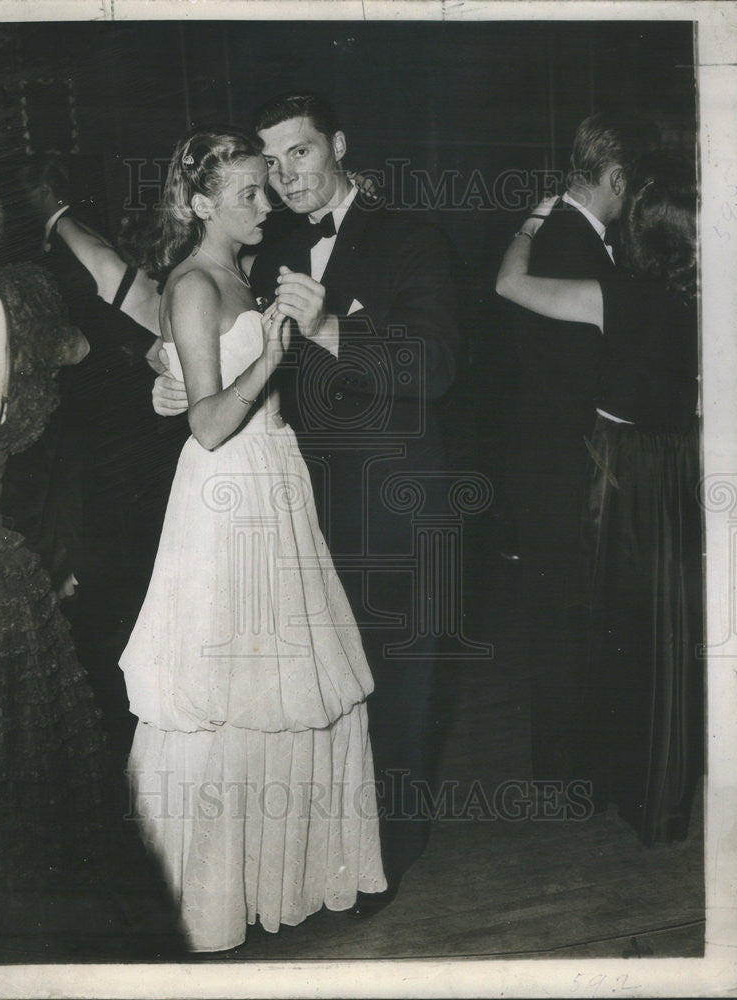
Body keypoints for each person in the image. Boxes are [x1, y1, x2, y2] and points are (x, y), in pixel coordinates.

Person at [152, 92, 461, 915]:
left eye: (301, 153)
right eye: (271, 160)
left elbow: (432, 372)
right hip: (288, 504)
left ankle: (383, 864)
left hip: (393, 504)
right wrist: (173, 377)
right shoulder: (265, 239)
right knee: (308, 695)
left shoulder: (412, 237)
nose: (285, 176)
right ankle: (320, 863)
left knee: (394, 686)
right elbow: (213, 344)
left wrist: (329, 331)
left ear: (340, 145)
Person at [119, 127, 386, 954]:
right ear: (202, 204)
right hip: (227, 499)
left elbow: (201, 392)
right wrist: (269, 356)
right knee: (231, 696)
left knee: (293, 684)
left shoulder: (240, 272)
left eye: (266, 188)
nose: (265, 203)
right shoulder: (194, 284)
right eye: (247, 193)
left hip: (276, 479)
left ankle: (299, 879)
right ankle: (213, 900)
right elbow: (204, 424)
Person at [0, 147, 184, 961]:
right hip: (77, 490)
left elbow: (122, 311)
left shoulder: (7, 299)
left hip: (103, 494)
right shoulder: (40, 291)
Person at [496, 151, 703, 846]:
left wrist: (532, 216)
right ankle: (661, 794)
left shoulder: (614, 294)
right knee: (670, 632)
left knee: (616, 629)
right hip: (680, 466)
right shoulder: (703, 300)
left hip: (622, 473)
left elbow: (509, 283)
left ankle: (615, 780)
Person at [505, 113, 657, 793]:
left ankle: (564, 770)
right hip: (571, 468)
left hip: (546, 463)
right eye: (633, 190)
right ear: (617, 179)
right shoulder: (575, 245)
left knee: (561, 622)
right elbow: (583, 382)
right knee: (571, 621)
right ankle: (573, 778)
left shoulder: (550, 231)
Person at [16, 158, 187, 749]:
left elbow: (123, 285)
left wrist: (56, 217)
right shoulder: (41, 265)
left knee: (124, 588)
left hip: (128, 447)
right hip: (91, 448)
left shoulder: (84, 251)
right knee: (107, 588)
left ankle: (141, 731)